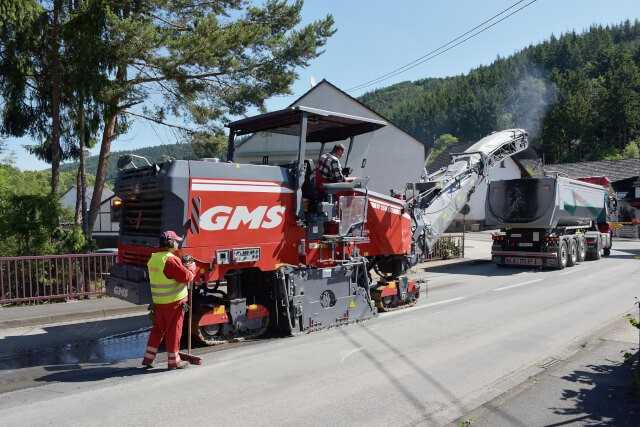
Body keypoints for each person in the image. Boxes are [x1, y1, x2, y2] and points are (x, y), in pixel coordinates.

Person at [141, 230, 196, 370]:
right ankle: (174, 361)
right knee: (174, 331)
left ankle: (148, 359)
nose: (178, 243)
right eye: (176, 241)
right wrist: (191, 268)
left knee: (158, 330)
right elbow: (187, 277)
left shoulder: (154, 258)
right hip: (174, 303)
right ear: (170, 243)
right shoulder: (170, 260)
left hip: (159, 303)